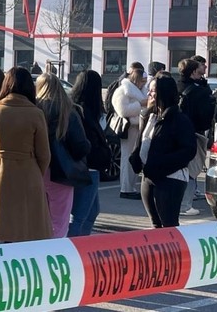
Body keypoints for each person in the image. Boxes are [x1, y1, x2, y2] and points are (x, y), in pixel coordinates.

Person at [0, 67, 52, 244]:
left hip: (0, 169)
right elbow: (44, 154)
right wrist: (35, 171)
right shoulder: (35, 113)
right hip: (29, 172)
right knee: (28, 228)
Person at [129, 72, 196, 229]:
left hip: (170, 179)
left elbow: (188, 151)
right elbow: (142, 141)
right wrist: (136, 157)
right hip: (149, 176)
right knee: (155, 225)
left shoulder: (179, 119)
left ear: (163, 93)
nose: (149, 93)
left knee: (169, 225)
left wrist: (160, 165)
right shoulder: (149, 115)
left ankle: (176, 254)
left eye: (153, 90)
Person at [36, 73, 90, 239]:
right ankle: (54, 254)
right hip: (62, 172)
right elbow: (80, 146)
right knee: (59, 220)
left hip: (37, 169)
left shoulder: (34, 108)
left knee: (38, 217)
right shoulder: (69, 110)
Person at [68, 70, 111, 237]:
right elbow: (90, 141)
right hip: (89, 167)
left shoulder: (76, 109)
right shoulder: (85, 112)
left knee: (92, 211)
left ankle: (82, 243)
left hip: (84, 166)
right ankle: (76, 247)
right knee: (80, 214)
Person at [177, 58, 214, 217]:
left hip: (174, 131)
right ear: (194, 71)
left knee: (176, 168)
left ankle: (176, 202)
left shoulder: (175, 86)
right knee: (192, 169)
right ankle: (185, 205)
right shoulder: (201, 91)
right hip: (194, 133)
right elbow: (206, 118)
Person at [112, 68, 148, 199]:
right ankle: (126, 188)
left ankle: (130, 187)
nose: (144, 83)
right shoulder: (122, 91)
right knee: (127, 157)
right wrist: (141, 105)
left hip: (138, 127)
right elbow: (123, 111)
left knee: (134, 157)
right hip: (129, 128)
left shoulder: (140, 91)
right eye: (142, 81)